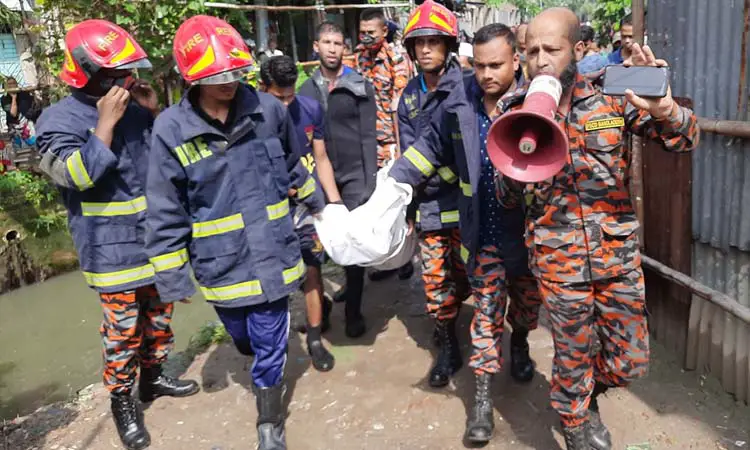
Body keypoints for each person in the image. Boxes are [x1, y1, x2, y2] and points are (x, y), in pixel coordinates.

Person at [496, 8, 699, 449]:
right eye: (532, 51)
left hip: (617, 256)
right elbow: (507, 200)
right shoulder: (514, 111)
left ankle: (589, 391)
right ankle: (575, 421)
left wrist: (665, 109)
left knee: (631, 361)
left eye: (552, 49)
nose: (541, 59)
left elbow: (684, 140)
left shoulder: (611, 97)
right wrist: (516, 162)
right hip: (557, 260)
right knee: (571, 352)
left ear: (578, 50)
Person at [145, 16, 325, 450]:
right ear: (194, 78)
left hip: (274, 253)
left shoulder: (267, 111)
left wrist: (316, 202)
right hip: (220, 262)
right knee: (241, 335)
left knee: (269, 340)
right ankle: (253, 354)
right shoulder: (171, 129)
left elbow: (288, 161)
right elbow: (165, 204)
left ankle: (269, 423)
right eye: (217, 76)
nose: (228, 83)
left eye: (235, 73)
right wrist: (171, 276)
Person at [35, 20, 200, 450]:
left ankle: (154, 378)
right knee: (122, 331)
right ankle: (122, 400)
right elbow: (78, 175)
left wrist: (152, 113)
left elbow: (167, 164)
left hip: (153, 240)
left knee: (159, 319)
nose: (127, 80)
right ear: (91, 74)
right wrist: (104, 124)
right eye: (118, 74)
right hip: (110, 251)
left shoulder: (136, 108)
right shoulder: (56, 120)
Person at [386, 3, 539, 444]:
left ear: (516, 61)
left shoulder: (537, 102)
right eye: (482, 65)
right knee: (486, 318)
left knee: (527, 307)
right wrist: (392, 190)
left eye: (497, 65)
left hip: (528, 236)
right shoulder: (459, 100)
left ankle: (523, 343)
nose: (488, 74)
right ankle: (482, 406)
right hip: (483, 233)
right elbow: (426, 147)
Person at [397, 0, 469, 390]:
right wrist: (409, 207)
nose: (425, 49)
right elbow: (409, 154)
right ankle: (448, 345)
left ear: (448, 45)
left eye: (433, 41)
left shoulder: (469, 86)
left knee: (471, 275)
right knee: (435, 280)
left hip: (470, 203)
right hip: (430, 205)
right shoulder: (408, 98)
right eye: (418, 43)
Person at [298, 21, 378, 338]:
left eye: (338, 43)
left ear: (345, 48)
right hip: (320, 174)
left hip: (356, 172)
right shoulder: (305, 91)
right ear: (315, 47)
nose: (333, 49)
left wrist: (370, 179)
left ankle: (354, 310)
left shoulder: (359, 84)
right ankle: (322, 307)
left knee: (354, 242)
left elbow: (369, 135)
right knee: (322, 242)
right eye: (327, 43)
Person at [259, 55, 339, 372]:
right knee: (274, 278)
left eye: (290, 95)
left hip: (306, 203)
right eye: (279, 97)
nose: (286, 103)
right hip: (269, 208)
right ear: (262, 88)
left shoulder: (310, 109)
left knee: (313, 269)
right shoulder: (249, 116)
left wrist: (333, 203)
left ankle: (315, 339)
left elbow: (321, 158)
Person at [353, 8, 415, 283]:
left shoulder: (396, 58)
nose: (366, 37)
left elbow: (399, 108)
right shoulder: (359, 57)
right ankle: (384, 261)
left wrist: (401, 151)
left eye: (371, 33)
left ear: (384, 32)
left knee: (396, 202)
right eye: (362, 32)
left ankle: (404, 258)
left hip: (391, 142)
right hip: (365, 142)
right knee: (374, 204)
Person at [2, 77, 40, 146]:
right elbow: (13, 114)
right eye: (9, 84)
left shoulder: (24, 94)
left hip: (28, 126)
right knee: (20, 150)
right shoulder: (4, 99)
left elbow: (34, 106)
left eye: (14, 83)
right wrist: (14, 98)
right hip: (14, 127)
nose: (12, 85)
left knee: (35, 145)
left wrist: (33, 94)